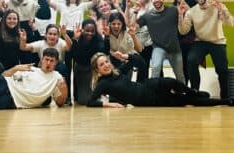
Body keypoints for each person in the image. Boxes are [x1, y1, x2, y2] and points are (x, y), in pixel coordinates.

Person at [87, 52, 231, 107]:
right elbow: (90, 102)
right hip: (148, 100)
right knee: (186, 101)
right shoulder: (103, 84)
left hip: (147, 85)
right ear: (97, 70)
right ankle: (225, 101)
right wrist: (109, 105)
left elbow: (140, 62)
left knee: (170, 81)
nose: (106, 65)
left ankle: (194, 91)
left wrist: (127, 57)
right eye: (101, 64)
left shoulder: (117, 72)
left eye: (106, 61)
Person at [178, 0, 234, 98]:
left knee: (222, 69)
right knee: (191, 61)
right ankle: (195, 93)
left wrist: (222, 11)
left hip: (217, 41)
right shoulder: (191, 12)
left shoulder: (217, 6)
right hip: (201, 42)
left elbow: (230, 22)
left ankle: (225, 97)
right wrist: (180, 15)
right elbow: (183, 31)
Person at [135, 0, 185, 83]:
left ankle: (183, 95)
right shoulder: (147, 15)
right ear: (151, 0)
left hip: (175, 49)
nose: (157, 0)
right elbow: (134, 27)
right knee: (155, 68)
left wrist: (182, 10)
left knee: (179, 75)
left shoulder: (173, 10)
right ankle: (154, 95)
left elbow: (186, 20)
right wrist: (135, 12)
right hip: (158, 48)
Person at [6, 0, 51, 64]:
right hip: (12, 36)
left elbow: (45, 15)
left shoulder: (32, 2)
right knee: (12, 63)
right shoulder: (8, 4)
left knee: (29, 63)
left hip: (29, 35)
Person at [103, 12, 148, 82]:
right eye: (113, 24)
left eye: (119, 24)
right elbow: (105, 52)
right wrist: (107, 37)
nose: (116, 26)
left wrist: (133, 36)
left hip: (127, 63)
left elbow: (139, 49)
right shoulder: (106, 32)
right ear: (109, 24)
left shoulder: (127, 32)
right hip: (113, 63)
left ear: (122, 24)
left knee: (125, 84)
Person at [71, 19, 105, 104]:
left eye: (92, 31)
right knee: (82, 101)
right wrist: (76, 40)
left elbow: (103, 53)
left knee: (91, 99)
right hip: (80, 68)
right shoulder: (77, 37)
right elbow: (75, 56)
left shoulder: (98, 38)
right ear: (82, 30)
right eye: (87, 30)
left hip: (92, 69)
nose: (89, 33)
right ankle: (77, 95)